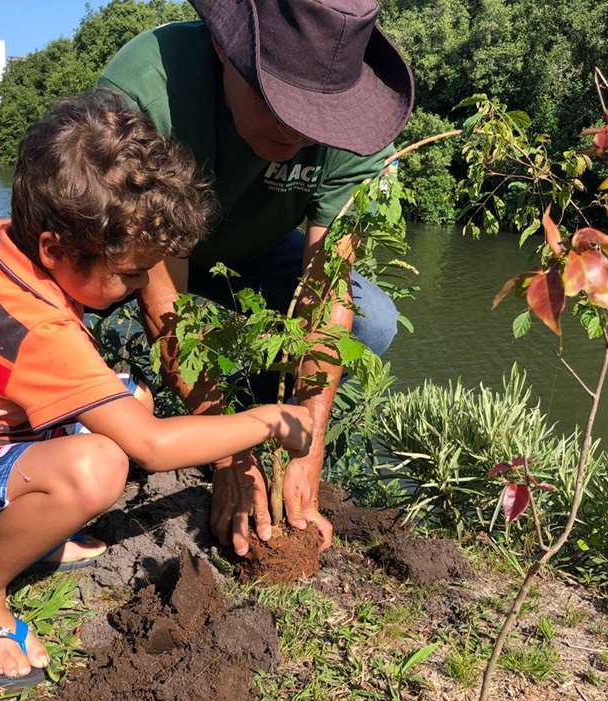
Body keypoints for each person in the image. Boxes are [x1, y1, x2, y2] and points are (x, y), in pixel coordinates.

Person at [0, 92, 314, 689]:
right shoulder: (35, 328)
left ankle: (29, 533)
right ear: (53, 247)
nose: (136, 288)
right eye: (130, 273)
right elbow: (151, 448)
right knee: (98, 465)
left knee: (128, 397)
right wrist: (268, 420)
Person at [98, 0, 415, 558]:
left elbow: (327, 290)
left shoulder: (351, 130)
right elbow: (162, 299)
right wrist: (227, 454)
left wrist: (306, 441)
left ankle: (271, 445)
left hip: (256, 252)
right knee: (60, 293)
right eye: (281, 104)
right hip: (147, 252)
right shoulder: (149, 93)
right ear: (226, 50)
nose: (298, 132)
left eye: (316, 115)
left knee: (371, 320)